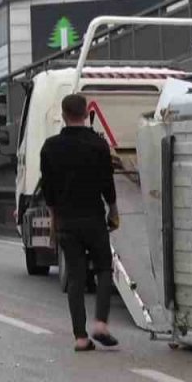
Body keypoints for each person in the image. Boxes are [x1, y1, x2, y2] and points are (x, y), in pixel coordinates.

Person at [39, 93, 120, 351]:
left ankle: (80, 337)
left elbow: (48, 191)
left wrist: (54, 220)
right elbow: (107, 183)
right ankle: (101, 324)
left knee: (74, 276)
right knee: (104, 269)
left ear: (63, 116)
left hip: (66, 220)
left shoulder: (49, 148)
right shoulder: (97, 146)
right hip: (93, 217)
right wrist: (113, 210)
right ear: (86, 114)